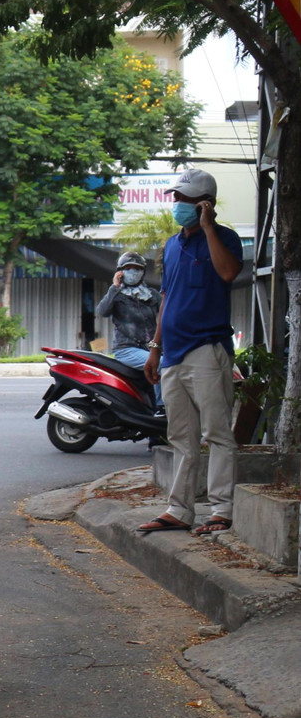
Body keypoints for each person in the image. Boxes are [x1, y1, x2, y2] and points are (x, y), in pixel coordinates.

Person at [138, 168, 243, 536]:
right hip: (173, 354)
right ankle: (179, 509)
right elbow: (167, 298)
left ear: (205, 204)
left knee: (217, 434)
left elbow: (228, 273)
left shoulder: (226, 238)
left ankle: (221, 510)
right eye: (175, 198)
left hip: (207, 350)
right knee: (181, 436)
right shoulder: (171, 245)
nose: (176, 205)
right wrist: (155, 348)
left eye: (183, 200)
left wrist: (210, 227)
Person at [96, 251, 162, 406]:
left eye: (137, 269)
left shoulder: (151, 294)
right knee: (161, 364)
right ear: (120, 272)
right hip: (127, 349)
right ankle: (162, 408)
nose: (133, 272)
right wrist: (114, 287)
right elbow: (102, 311)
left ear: (143, 272)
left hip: (151, 348)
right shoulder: (117, 295)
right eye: (129, 268)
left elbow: (169, 313)